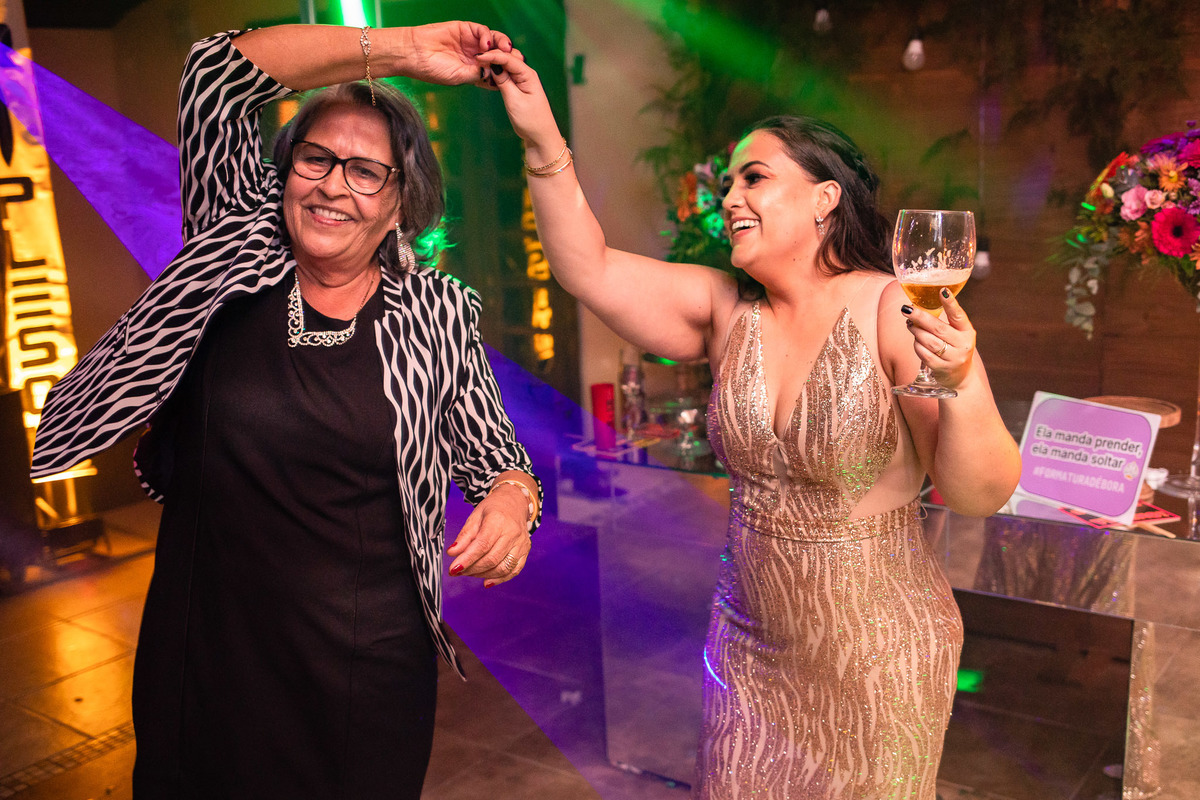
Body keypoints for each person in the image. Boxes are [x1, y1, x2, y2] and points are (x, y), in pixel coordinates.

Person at [481, 51, 1021, 799]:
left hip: (879, 658)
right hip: (749, 650)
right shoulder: (724, 308)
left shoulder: (893, 306)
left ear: (825, 198)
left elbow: (977, 494)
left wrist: (962, 381)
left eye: (754, 178)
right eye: (729, 182)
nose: (729, 197)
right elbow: (587, 268)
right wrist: (543, 138)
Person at [30, 22, 540, 799]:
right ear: (285, 174)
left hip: (366, 675)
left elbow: (496, 459)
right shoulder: (233, 247)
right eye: (315, 158)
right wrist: (404, 51)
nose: (333, 184)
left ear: (399, 207)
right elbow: (216, 71)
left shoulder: (436, 313)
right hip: (208, 663)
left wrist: (512, 500)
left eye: (366, 172)